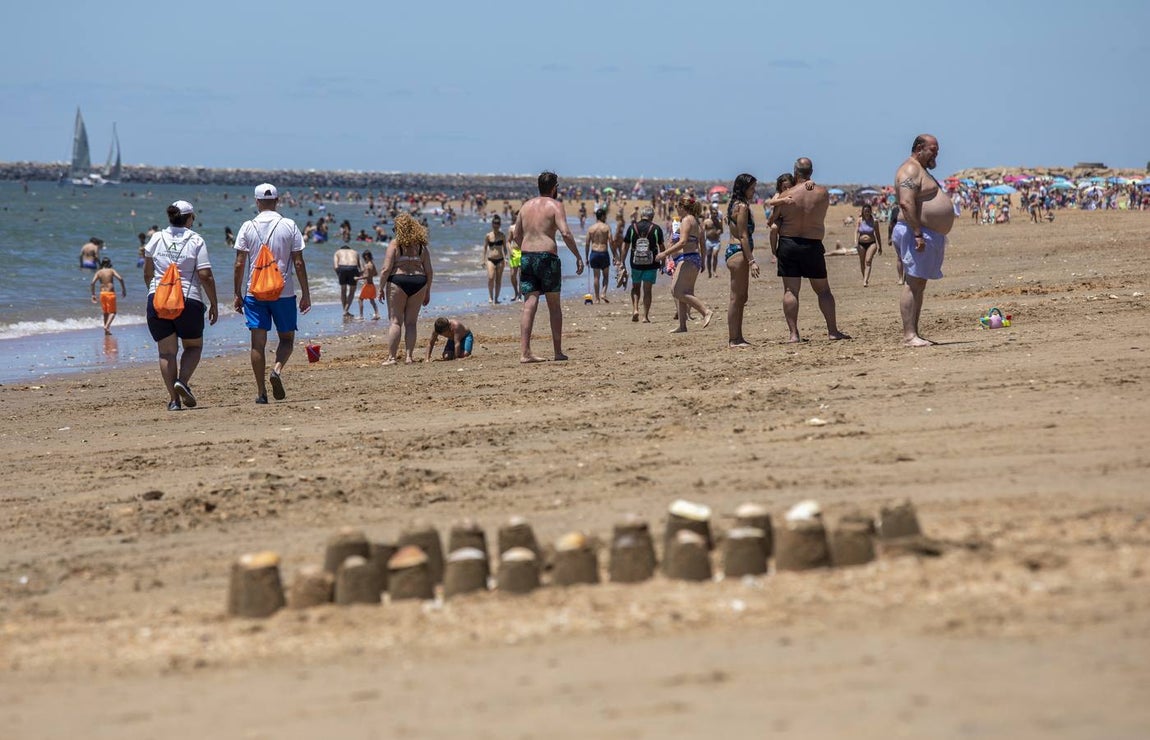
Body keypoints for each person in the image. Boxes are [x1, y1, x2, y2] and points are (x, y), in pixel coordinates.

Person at [233, 183, 311, 404]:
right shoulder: (289, 225)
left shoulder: (247, 226)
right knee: (286, 339)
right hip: (283, 292)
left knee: (257, 344)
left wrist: (237, 293)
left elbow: (239, 263)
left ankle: (260, 393)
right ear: (277, 201)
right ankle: (276, 369)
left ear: (257, 202)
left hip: (255, 293)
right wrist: (306, 293)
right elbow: (298, 261)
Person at [144, 200, 219, 411]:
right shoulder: (196, 240)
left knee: (166, 353)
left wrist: (152, 293)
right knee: (193, 346)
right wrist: (213, 303)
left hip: (158, 300)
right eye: (193, 217)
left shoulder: (156, 238)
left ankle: (174, 401)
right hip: (189, 300)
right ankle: (182, 382)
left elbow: (147, 273)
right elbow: (205, 275)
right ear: (188, 218)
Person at [772, 157, 849, 343]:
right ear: (811, 172)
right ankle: (832, 331)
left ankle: (793, 334)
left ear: (795, 172)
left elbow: (775, 219)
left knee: (791, 290)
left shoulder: (786, 195)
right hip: (812, 244)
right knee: (823, 291)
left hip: (789, 243)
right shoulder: (822, 193)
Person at [511, 171, 584, 363]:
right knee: (554, 306)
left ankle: (525, 352)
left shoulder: (525, 207)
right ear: (554, 188)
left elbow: (516, 236)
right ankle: (557, 352)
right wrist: (577, 255)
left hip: (527, 257)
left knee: (529, 303)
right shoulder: (555, 205)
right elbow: (566, 233)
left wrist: (524, 250)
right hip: (547, 257)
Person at [893, 134, 955, 347]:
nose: (936, 154)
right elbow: (905, 202)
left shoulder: (920, 170)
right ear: (919, 148)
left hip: (925, 233)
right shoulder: (910, 170)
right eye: (932, 150)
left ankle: (914, 333)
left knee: (919, 283)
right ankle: (909, 335)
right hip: (916, 232)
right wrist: (918, 233)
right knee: (913, 283)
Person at [378, 213, 433, 365]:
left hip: (399, 281)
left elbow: (385, 269)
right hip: (419, 282)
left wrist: (380, 288)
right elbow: (429, 271)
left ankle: (392, 358)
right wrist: (428, 290)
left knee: (395, 321)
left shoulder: (395, 244)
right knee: (411, 323)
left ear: (398, 229)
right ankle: (409, 357)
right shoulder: (421, 246)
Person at [656, 194, 714, 333]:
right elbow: (703, 245)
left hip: (688, 258)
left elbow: (682, 242)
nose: (676, 209)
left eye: (677, 206)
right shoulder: (697, 221)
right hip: (695, 258)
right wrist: (704, 262)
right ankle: (682, 326)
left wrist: (665, 253)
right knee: (683, 292)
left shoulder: (687, 220)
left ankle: (705, 311)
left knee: (677, 291)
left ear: (683, 207)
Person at [725, 173, 760, 348]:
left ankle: (738, 336)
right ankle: (734, 338)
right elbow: (744, 236)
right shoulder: (742, 207)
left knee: (741, 297)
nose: (754, 191)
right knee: (736, 298)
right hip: (739, 252)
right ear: (744, 188)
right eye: (752, 188)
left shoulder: (734, 205)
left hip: (735, 252)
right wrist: (752, 260)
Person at [620, 205, 664, 323]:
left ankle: (635, 309)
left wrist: (622, 261)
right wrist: (663, 262)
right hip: (652, 263)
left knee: (635, 287)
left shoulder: (632, 227)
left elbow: (625, 246)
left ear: (641, 215)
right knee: (647, 289)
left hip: (635, 262)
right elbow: (661, 246)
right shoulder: (656, 228)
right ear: (652, 216)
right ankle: (645, 316)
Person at [90, 257, 126, 335]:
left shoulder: (99, 272)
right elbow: (120, 278)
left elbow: (92, 283)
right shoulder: (111, 270)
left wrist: (93, 294)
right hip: (110, 294)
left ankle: (106, 330)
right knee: (113, 312)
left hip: (102, 294)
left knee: (105, 312)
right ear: (109, 263)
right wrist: (123, 290)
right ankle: (107, 326)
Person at [585, 206, 613, 303]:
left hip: (594, 253)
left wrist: (586, 257)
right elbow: (611, 241)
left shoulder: (591, 228)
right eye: (605, 216)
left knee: (596, 277)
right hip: (604, 253)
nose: (605, 218)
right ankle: (603, 293)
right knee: (605, 276)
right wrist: (615, 255)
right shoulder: (606, 227)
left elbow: (587, 243)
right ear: (602, 216)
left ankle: (597, 299)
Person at [483, 215, 509, 304]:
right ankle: (490, 297)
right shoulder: (488, 235)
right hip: (490, 259)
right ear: (492, 224)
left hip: (500, 259)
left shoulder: (502, 235)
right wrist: (483, 260)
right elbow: (485, 248)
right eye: (494, 223)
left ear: (500, 224)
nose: (496, 225)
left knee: (498, 279)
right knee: (490, 278)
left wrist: (506, 258)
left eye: (497, 223)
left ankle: (496, 298)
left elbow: (505, 248)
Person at [855, 204, 883, 287]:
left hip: (872, 243)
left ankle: (865, 280)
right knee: (862, 261)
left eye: (868, 211)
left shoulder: (874, 221)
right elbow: (856, 231)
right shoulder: (859, 220)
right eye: (865, 211)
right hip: (861, 244)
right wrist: (856, 242)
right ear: (863, 211)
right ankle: (865, 278)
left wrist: (880, 246)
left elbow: (877, 234)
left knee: (868, 260)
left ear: (870, 211)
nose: (866, 213)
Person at [333, 242, 363, 317]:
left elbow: (336, 266)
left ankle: (345, 310)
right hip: (353, 268)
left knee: (343, 290)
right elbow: (362, 268)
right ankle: (346, 310)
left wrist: (339, 274)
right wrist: (359, 276)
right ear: (350, 249)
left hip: (342, 268)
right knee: (352, 291)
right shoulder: (355, 252)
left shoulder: (337, 252)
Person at [357, 249, 380, 320]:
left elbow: (367, 276)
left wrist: (357, 278)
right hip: (372, 284)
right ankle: (377, 314)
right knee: (372, 300)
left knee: (360, 299)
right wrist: (368, 274)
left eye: (364, 257)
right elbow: (376, 273)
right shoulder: (372, 264)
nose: (364, 258)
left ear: (366, 256)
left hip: (367, 285)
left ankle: (361, 316)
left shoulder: (367, 265)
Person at [703, 202, 723, 278]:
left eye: (716, 213)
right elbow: (702, 231)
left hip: (716, 241)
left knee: (715, 255)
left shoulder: (719, 222)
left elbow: (722, 230)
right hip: (708, 241)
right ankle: (709, 272)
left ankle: (714, 271)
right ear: (711, 214)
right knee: (708, 257)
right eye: (714, 213)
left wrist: (719, 231)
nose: (715, 215)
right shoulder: (707, 221)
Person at [507, 212, 523, 302]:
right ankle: (516, 292)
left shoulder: (524, 227)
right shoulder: (512, 228)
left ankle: (520, 295)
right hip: (514, 252)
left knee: (521, 274)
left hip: (522, 251)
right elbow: (508, 241)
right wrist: (510, 251)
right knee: (513, 275)